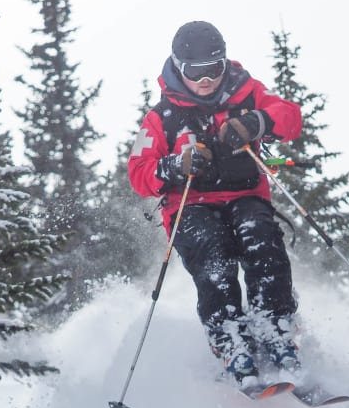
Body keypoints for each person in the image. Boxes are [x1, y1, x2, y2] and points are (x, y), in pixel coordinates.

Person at [128, 20, 303, 383]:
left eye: (214, 69)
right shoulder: (162, 117)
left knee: (263, 243)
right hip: (191, 204)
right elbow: (138, 173)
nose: (206, 80)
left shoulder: (247, 92)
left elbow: (290, 117)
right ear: (179, 68)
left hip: (245, 195)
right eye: (196, 72)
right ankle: (230, 339)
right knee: (213, 257)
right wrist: (176, 164)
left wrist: (255, 122)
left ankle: (275, 327)